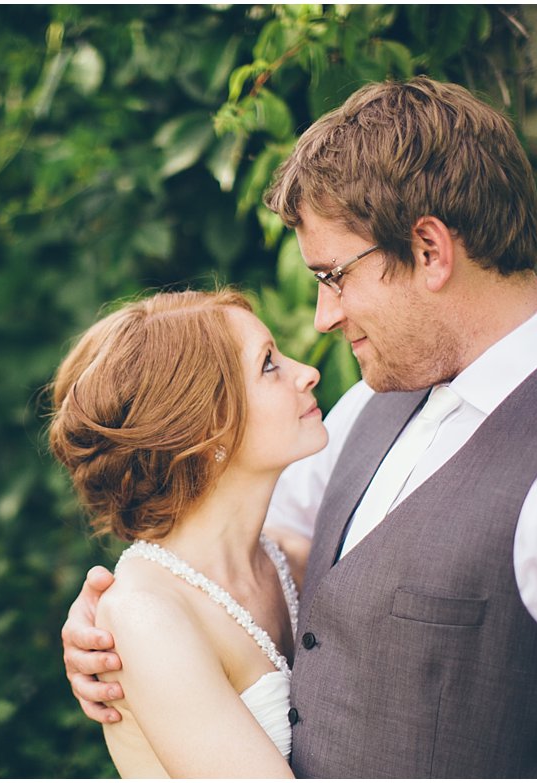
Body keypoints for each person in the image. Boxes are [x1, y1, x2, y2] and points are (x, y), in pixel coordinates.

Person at [61, 76, 537, 778]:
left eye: (336, 276)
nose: (323, 318)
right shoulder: (366, 409)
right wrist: (111, 621)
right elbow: (218, 554)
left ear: (431, 251)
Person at [47, 289, 327, 777]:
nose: (307, 372)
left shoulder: (293, 559)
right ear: (206, 431)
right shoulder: (144, 614)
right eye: (268, 365)